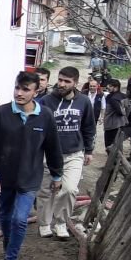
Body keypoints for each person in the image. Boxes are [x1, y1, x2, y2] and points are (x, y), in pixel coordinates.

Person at [0, 71, 63, 260]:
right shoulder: (1, 114)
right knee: (6, 219)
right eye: (17, 87)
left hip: (29, 178)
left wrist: (57, 174)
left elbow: (53, 147)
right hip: (3, 178)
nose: (19, 92)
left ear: (37, 91)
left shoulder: (45, 116)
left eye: (25, 89)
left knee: (19, 220)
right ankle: (10, 245)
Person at [37, 66, 96, 241]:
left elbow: (88, 127)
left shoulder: (84, 102)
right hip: (49, 154)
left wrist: (89, 150)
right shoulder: (46, 101)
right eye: (60, 79)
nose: (61, 84)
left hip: (74, 153)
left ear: (75, 83)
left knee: (69, 189)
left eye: (67, 81)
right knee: (47, 191)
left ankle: (61, 222)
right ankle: (44, 223)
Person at [103, 78, 128, 151]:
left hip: (112, 126)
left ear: (116, 87)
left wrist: (122, 113)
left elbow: (120, 111)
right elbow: (129, 108)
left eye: (110, 86)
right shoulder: (124, 96)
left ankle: (113, 161)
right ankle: (118, 160)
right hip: (121, 124)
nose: (108, 87)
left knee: (109, 146)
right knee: (118, 144)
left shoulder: (112, 98)